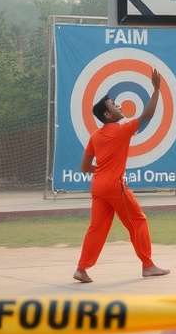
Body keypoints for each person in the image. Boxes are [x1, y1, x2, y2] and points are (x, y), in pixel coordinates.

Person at [73, 68, 170, 283]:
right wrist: (156, 89)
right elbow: (148, 115)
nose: (118, 106)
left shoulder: (95, 136)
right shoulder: (121, 129)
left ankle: (81, 268)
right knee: (138, 221)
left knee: (97, 229)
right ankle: (148, 265)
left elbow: (84, 167)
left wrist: (102, 173)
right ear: (108, 115)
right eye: (114, 105)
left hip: (98, 187)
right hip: (115, 187)